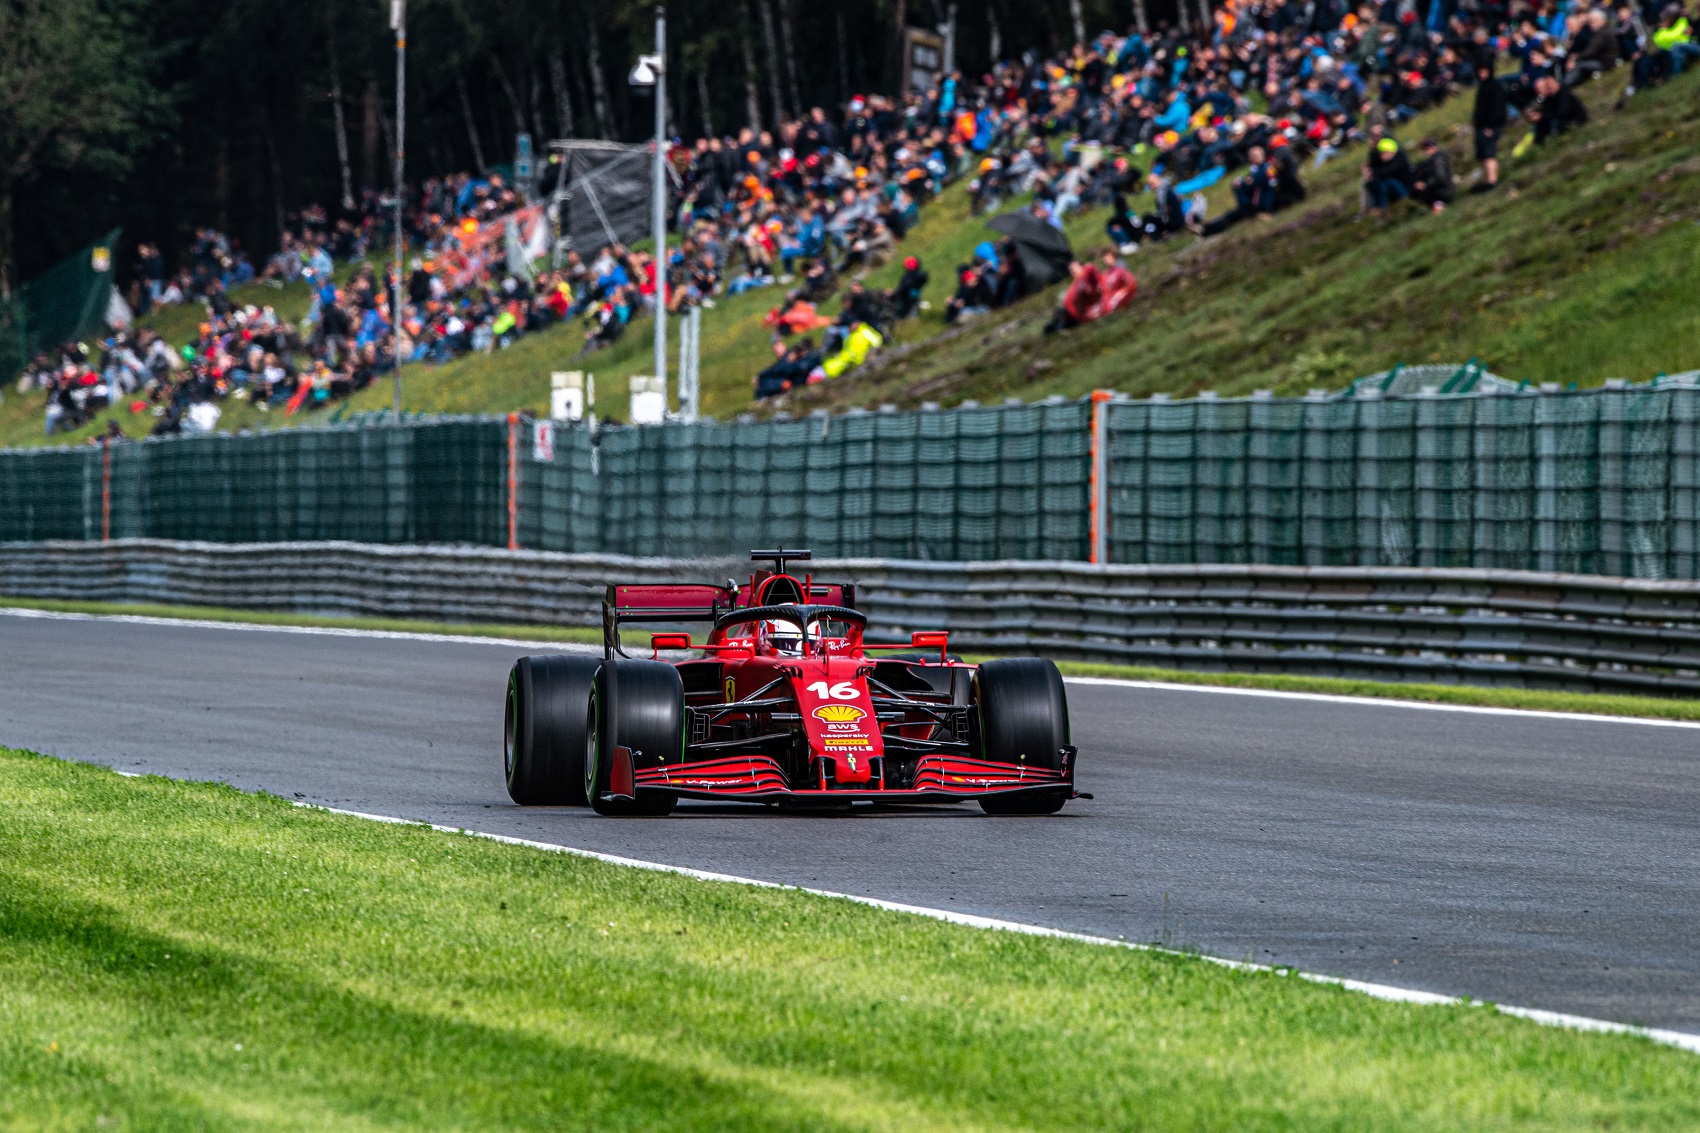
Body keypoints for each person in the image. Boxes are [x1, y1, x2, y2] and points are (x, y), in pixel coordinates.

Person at [1471, 65, 1508, 193]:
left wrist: (1491, 126)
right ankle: (1488, 180)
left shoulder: (1494, 86)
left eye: (1484, 71)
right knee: (1482, 155)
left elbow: (1497, 108)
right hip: (1482, 126)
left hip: (1490, 126)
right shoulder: (1483, 86)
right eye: (1480, 72)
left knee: (1488, 154)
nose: (1482, 74)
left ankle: (1492, 180)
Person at [1527, 75, 1590, 144]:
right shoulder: (1548, 98)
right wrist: (1536, 115)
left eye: (1539, 91)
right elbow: (1548, 112)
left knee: (1554, 122)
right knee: (1539, 124)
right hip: (1560, 118)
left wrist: (1542, 116)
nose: (1538, 94)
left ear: (1546, 87)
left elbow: (1562, 113)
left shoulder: (1563, 93)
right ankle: (1538, 143)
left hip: (1572, 120)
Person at [1410, 138, 1456, 212]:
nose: (1427, 151)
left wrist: (1425, 184)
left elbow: (1440, 178)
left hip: (1444, 192)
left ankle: (1437, 205)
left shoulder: (1439, 160)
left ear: (1434, 147)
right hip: (1440, 190)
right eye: (1425, 149)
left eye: (1428, 148)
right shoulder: (1431, 160)